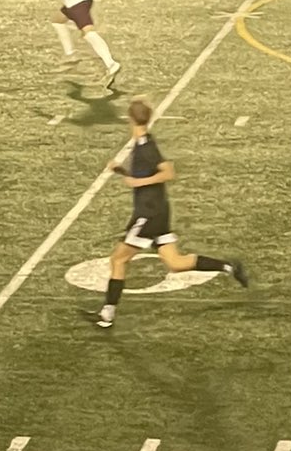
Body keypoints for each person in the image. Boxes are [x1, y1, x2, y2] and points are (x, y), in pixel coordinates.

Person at [96, 101, 247, 330]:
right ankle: (228, 267)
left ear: (130, 119)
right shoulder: (143, 143)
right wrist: (123, 171)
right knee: (175, 263)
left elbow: (168, 172)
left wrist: (137, 181)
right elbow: (146, 174)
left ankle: (107, 313)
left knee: (118, 259)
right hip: (159, 212)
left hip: (147, 214)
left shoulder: (146, 147)